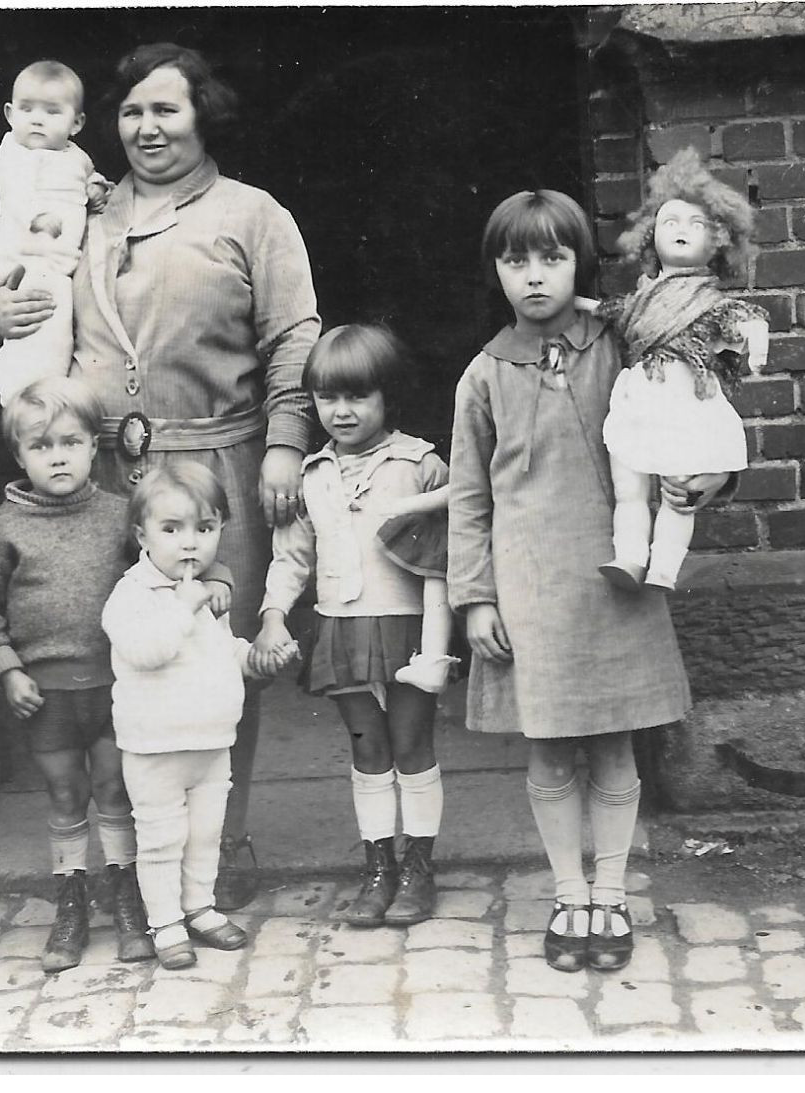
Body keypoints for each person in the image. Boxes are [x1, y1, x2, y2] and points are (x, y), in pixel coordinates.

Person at [0, 43, 321, 911]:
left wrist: (285, 441)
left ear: (203, 114)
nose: (147, 126)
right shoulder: (84, 210)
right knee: (114, 658)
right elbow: (19, 282)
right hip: (106, 479)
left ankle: (220, 840)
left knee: (212, 660)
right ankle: (137, 855)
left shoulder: (251, 215)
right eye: (131, 111)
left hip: (216, 471)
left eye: (166, 109)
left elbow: (294, 337)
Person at [448, 192, 728, 974]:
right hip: (530, 587)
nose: (534, 277)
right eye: (515, 261)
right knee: (548, 752)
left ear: (579, 263)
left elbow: (688, 415)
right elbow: (469, 498)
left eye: (551, 258)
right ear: (494, 271)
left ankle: (610, 892)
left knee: (612, 747)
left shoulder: (626, 343)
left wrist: (704, 479)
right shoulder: (482, 375)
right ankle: (566, 891)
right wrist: (473, 597)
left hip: (615, 577)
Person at [0, 376, 234, 972]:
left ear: (94, 446)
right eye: (41, 446)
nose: (57, 456)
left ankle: (128, 900)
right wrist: (6, 668)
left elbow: (174, 566)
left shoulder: (121, 517)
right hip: (46, 691)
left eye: (70, 441)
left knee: (116, 790)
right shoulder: (5, 528)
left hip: (115, 688)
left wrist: (218, 584)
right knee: (66, 794)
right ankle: (71, 903)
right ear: (19, 455)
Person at [252, 324, 452, 928]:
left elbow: (452, 549)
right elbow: (292, 558)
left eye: (357, 397)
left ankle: (420, 867)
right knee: (368, 746)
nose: (340, 412)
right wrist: (271, 615)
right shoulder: (311, 475)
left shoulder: (419, 464)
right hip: (342, 623)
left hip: (409, 626)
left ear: (387, 396)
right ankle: (378, 866)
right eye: (326, 399)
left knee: (411, 743)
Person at [100, 464, 273, 968]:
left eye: (205, 528)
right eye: (171, 530)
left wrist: (251, 659)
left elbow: (216, 651)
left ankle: (199, 906)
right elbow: (147, 650)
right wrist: (185, 606)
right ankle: (165, 923)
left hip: (211, 742)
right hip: (155, 747)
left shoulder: (200, 594)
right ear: (142, 535)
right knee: (160, 839)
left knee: (204, 834)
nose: (190, 543)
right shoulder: (132, 594)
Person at [592, 149, 769, 592]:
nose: (683, 231)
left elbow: (743, 319)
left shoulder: (712, 303)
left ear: (720, 240)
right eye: (671, 223)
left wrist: (757, 342)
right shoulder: (641, 300)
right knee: (629, 488)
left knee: (680, 494)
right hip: (640, 399)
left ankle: (665, 568)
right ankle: (629, 557)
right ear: (650, 239)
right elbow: (615, 312)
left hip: (689, 402)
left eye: (697, 224)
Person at [0, 61, 111, 405]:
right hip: (22, 257)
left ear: (76, 123)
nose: (37, 119)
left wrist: (96, 189)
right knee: (37, 318)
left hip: (57, 262)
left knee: (50, 326)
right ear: (10, 115)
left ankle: (36, 388)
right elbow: (19, 191)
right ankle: (22, 391)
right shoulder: (13, 153)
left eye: (52, 112)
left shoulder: (78, 159)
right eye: (27, 109)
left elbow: (86, 181)